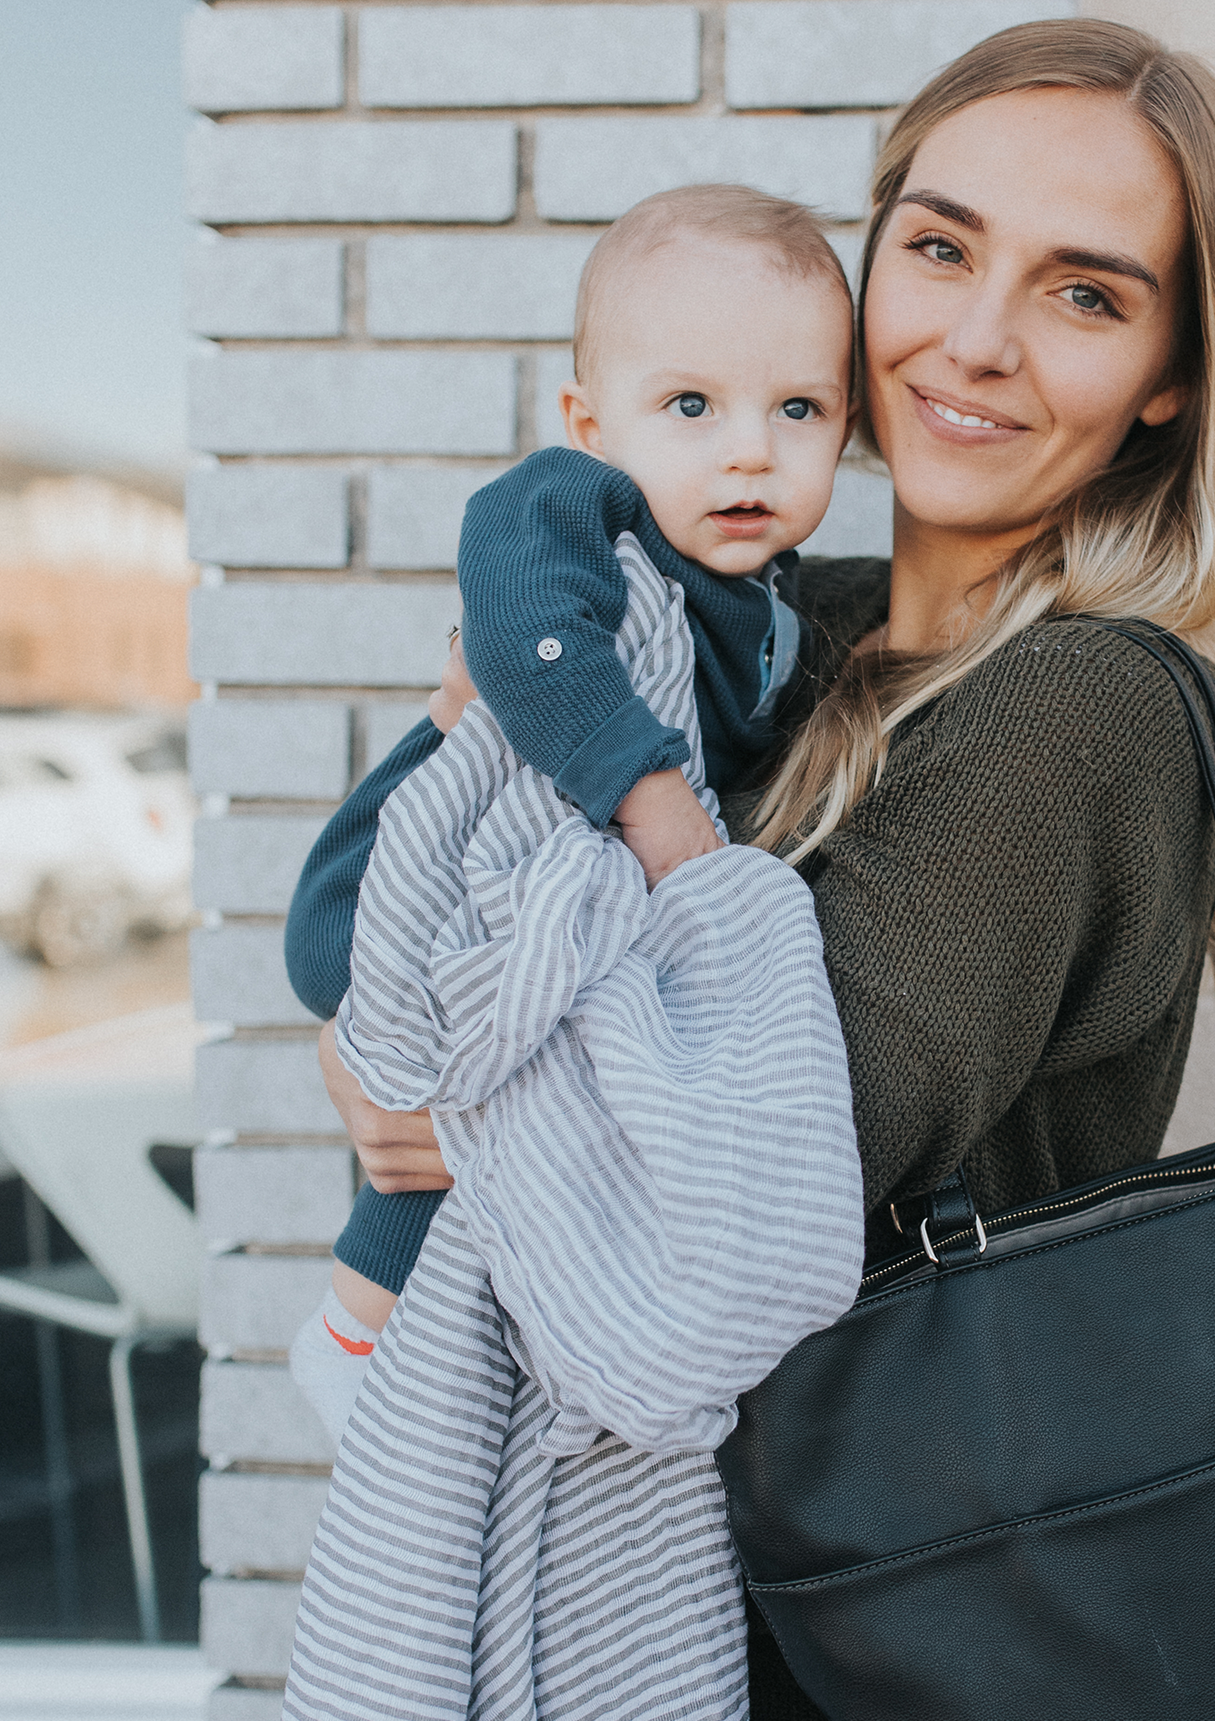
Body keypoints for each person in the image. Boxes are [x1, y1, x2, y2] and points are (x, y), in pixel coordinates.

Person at [293, 19, 1215, 1721]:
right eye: (939, 248)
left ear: (1164, 382)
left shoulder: (1070, 710)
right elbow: (445, 935)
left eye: (1082, 295)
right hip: (626, 1626)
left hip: (746, 1703)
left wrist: (436, 1083)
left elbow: (712, 1173)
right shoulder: (764, 640)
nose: (977, 339)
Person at [283, 184, 855, 1437]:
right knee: (419, 1023)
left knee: (490, 1082)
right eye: (690, 406)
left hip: (548, 922)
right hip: (405, 869)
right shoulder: (568, 511)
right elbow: (525, 618)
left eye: (796, 408)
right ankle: (348, 1328)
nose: (748, 449)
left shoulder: (782, 611)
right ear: (592, 425)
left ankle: (386, 1338)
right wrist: (659, 812)